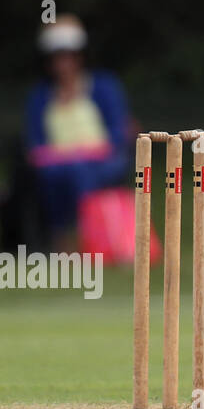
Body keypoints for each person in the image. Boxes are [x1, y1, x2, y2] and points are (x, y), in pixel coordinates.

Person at [21, 16, 131, 252]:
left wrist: (88, 151)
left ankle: (86, 236)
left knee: (81, 172)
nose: (64, 64)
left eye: (69, 56)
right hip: (58, 163)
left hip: (102, 160)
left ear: (80, 56)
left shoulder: (103, 86)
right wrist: (59, 155)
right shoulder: (40, 96)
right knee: (54, 174)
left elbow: (116, 134)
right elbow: (36, 144)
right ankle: (61, 235)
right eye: (57, 58)